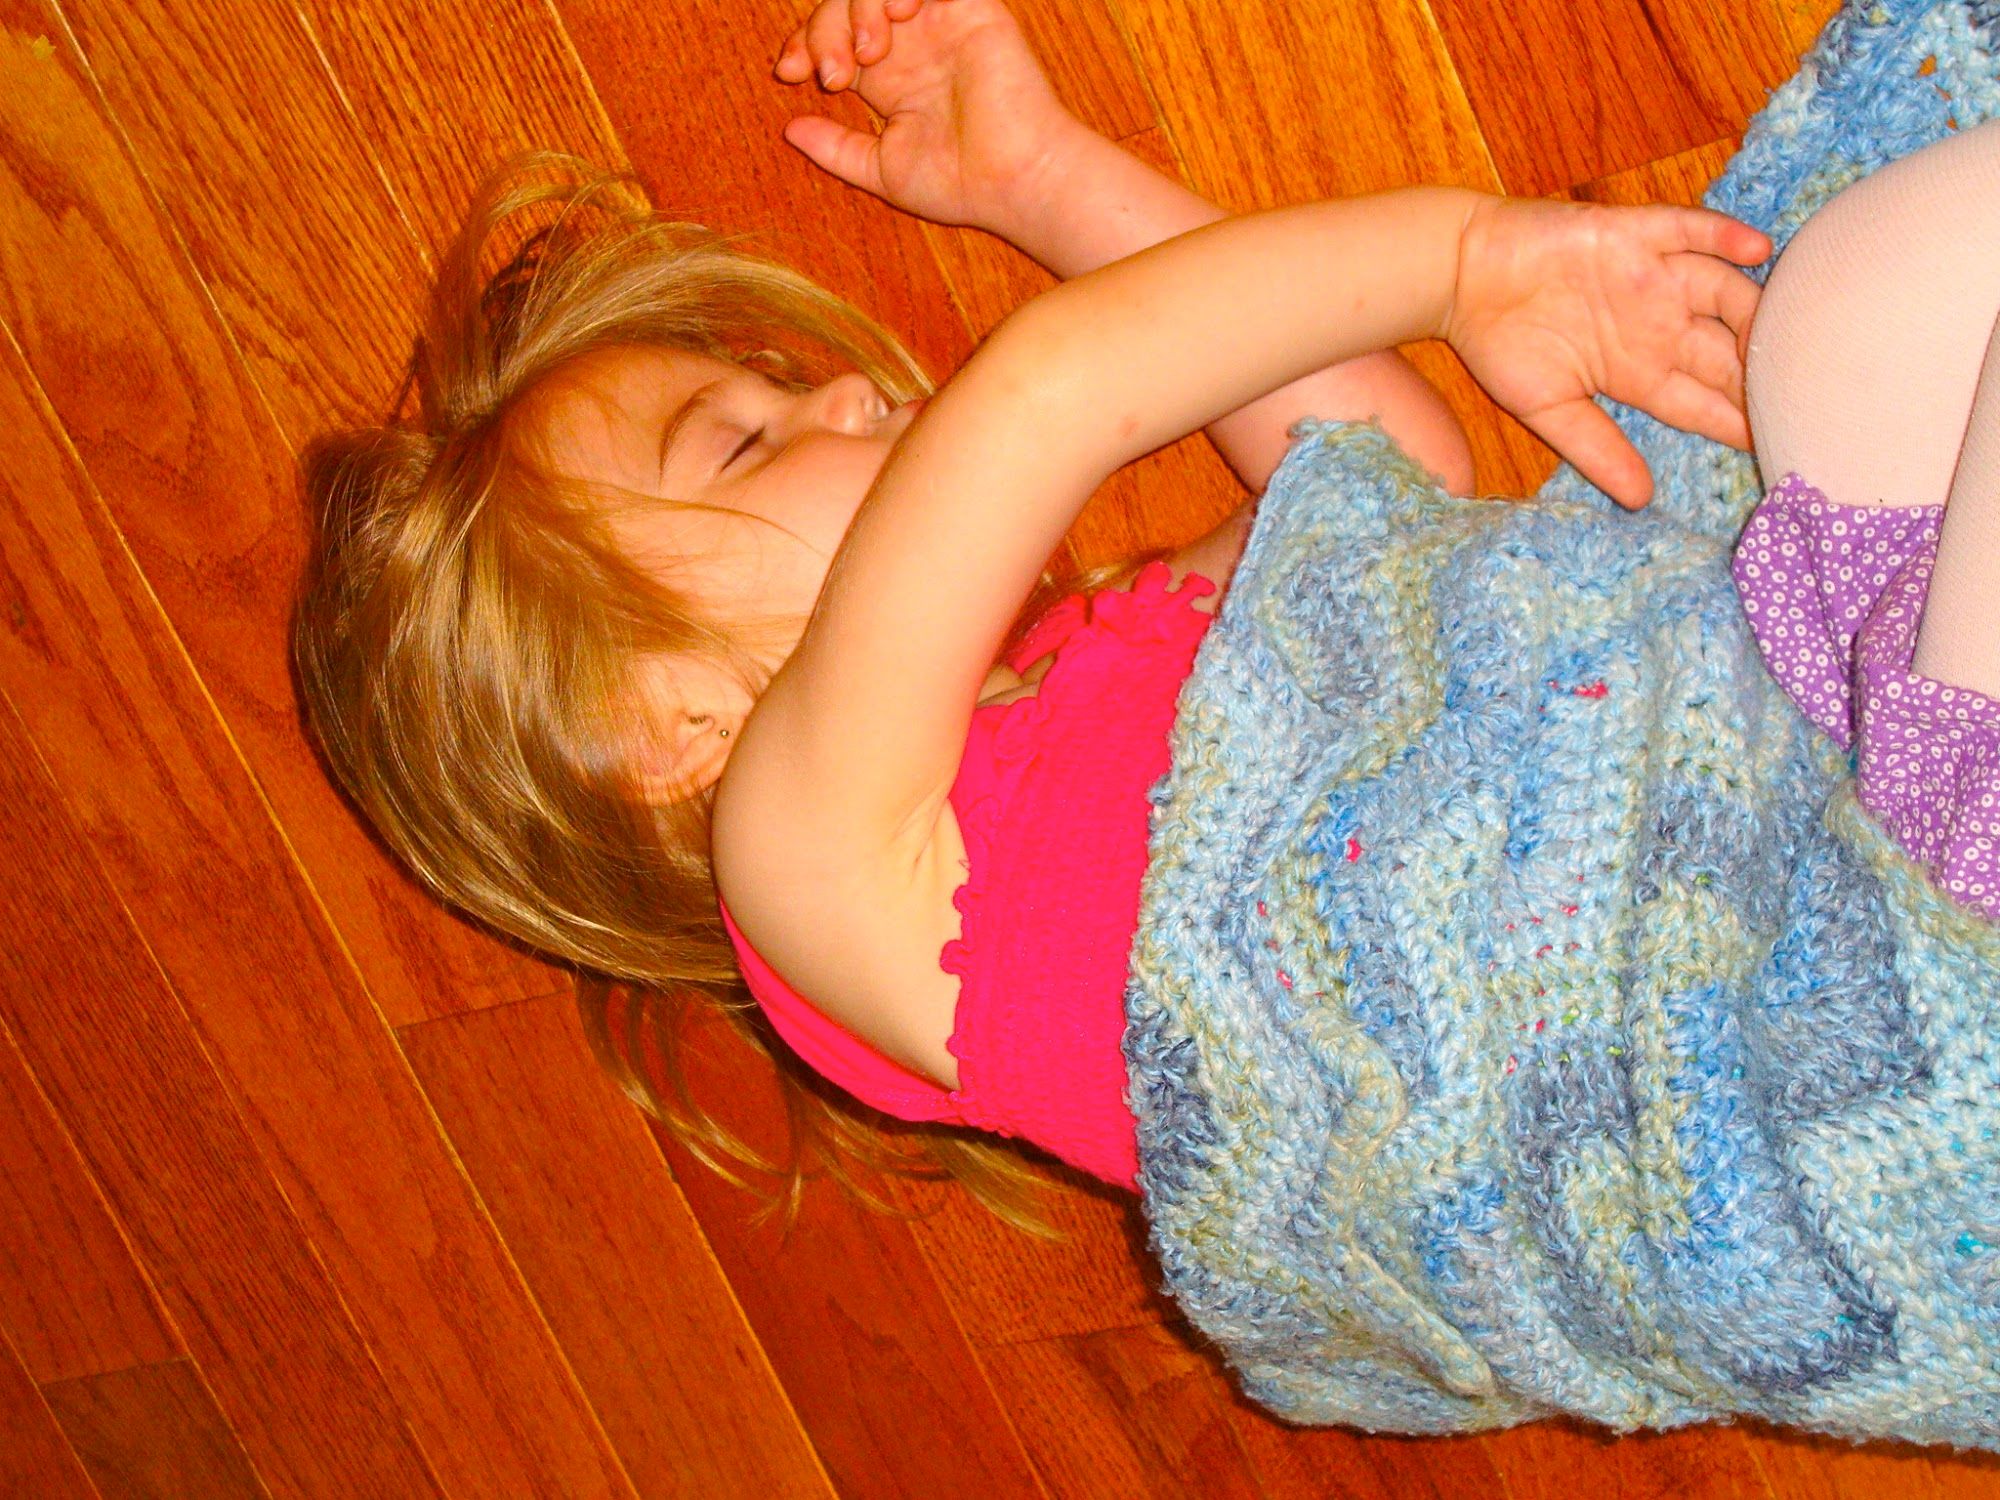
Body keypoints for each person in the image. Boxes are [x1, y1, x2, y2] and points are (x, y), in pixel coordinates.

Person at [292, 0, 1995, 1217]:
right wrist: (1461, 255)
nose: (855, 403)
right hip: (1814, 1026)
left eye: (793, 388)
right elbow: (1046, 397)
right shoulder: (811, 862)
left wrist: (1041, 173)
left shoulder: (1091, 689)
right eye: (742, 440)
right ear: (659, 727)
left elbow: (1373, 467)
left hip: (1820, 773)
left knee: (1838, 325)